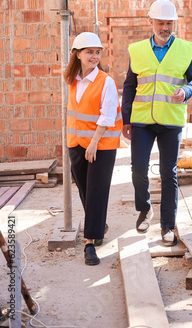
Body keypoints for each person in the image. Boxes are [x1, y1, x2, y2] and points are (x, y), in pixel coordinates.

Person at [121, 0, 192, 246]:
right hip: (143, 120)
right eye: (161, 22)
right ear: (151, 22)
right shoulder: (137, 50)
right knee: (138, 169)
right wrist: (126, 119)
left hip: (170, 120)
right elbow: (129, 86)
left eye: (169, 23)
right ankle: (145, 209)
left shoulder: (186, 49)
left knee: (169, 173)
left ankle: (167, 226)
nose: (165, 27)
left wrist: (187, 91)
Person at [64, 32, 122, 265]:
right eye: (89, 52)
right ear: (77, 54)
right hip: (76, 143)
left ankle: (90, 243)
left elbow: (107, 116)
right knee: (86, 192)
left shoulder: (105, 81)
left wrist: (94, 143)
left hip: (101, 145)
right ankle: (98, 224)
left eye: (97, 52)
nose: (95, 56)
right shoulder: (72, 80)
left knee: (96, 192)